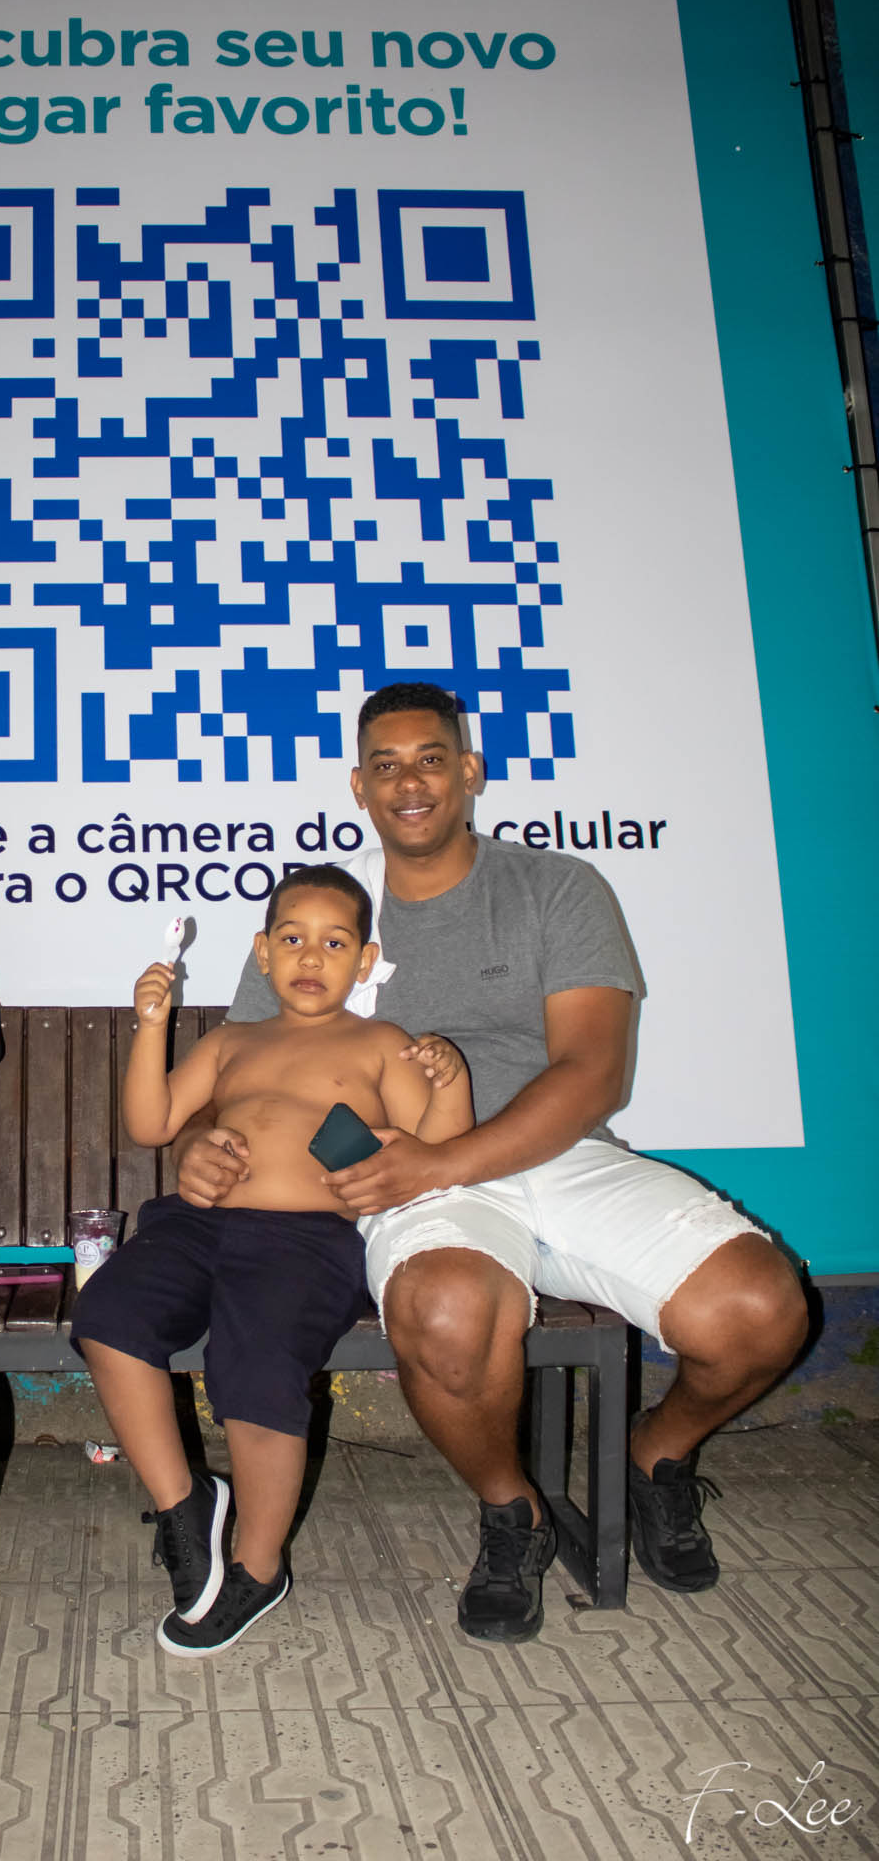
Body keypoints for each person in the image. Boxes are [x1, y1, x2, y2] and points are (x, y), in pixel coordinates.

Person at [180, 682, 809, 1644]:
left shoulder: (557, 887)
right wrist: (204, 1141)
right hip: (402, 1175)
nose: (410, 782)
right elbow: (241, 1075)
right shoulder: (328, 911)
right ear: (358, 786)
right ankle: (513, 1511)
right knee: (447, 1313)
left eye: (431, 758)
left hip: (556, 1155)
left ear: (469, 771)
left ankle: (655, 1455)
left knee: (762, 1311)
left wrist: (449, 1161)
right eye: (385, 765)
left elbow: (593, 1073)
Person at [70, 865, 472, 1656]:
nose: (311, 957)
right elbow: (152, 1123)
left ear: (366, 960)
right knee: (107, 1316)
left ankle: (258, 1566)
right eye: (292, 939)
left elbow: (439, 1149)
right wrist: (152, 1024)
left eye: (335, 943)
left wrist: (448, 1080)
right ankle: (183, 1503)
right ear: (262, 952)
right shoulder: (232, 1041)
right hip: (197, 1223)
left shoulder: (380, 1043)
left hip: (307, 1242)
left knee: (256, 1368)